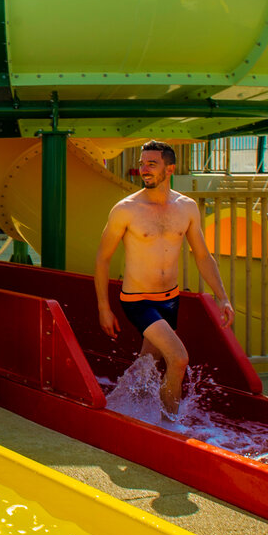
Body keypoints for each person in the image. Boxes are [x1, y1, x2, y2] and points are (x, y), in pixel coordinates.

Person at [94, 140, 234, 418]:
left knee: (149, 360)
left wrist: (222, 297)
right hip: (138, 300)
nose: (143, 169)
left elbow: (203, 256)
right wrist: (103, 308)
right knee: (178, 358)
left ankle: (117, 406)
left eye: (152, 164)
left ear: (170, 169)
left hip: (170, 298)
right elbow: (103, 258)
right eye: (142, 163)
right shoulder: (126, 209)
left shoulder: (187, 207)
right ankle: (169, 425)